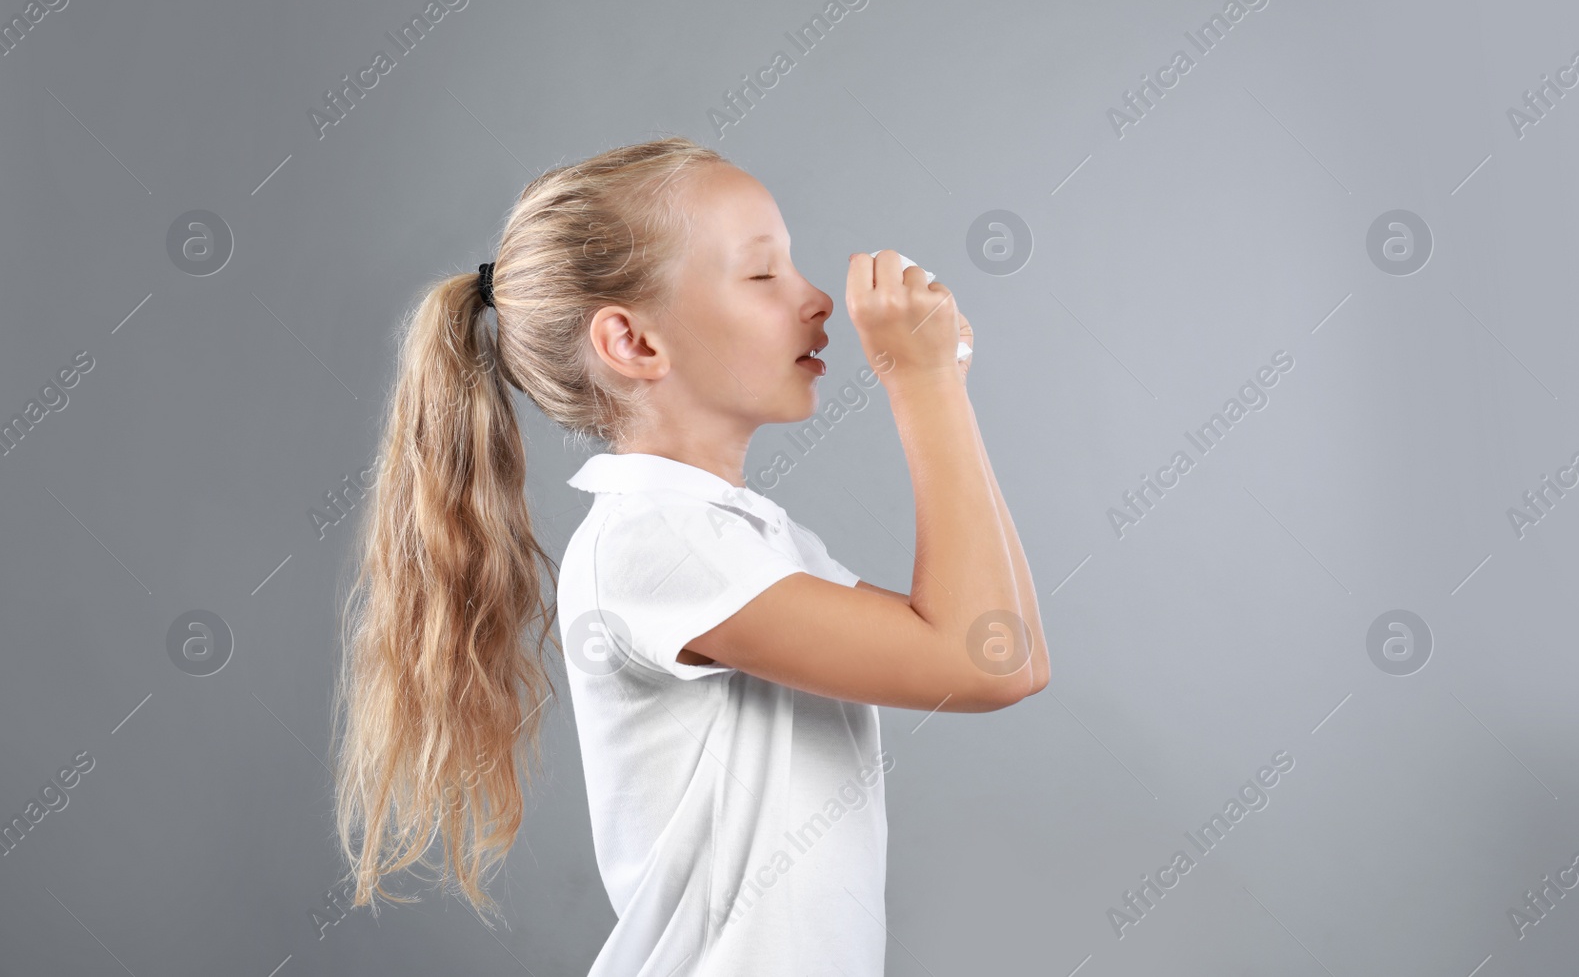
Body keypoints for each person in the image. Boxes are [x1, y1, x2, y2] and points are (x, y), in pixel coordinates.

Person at [328, 136, 1048, 975]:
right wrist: (923, 385)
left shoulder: (743, 536)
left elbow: (1006, 646)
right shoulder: (660, 542)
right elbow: (985, 659)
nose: (815, 299)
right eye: (762, 274)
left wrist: (938, 382)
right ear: (633, 343)